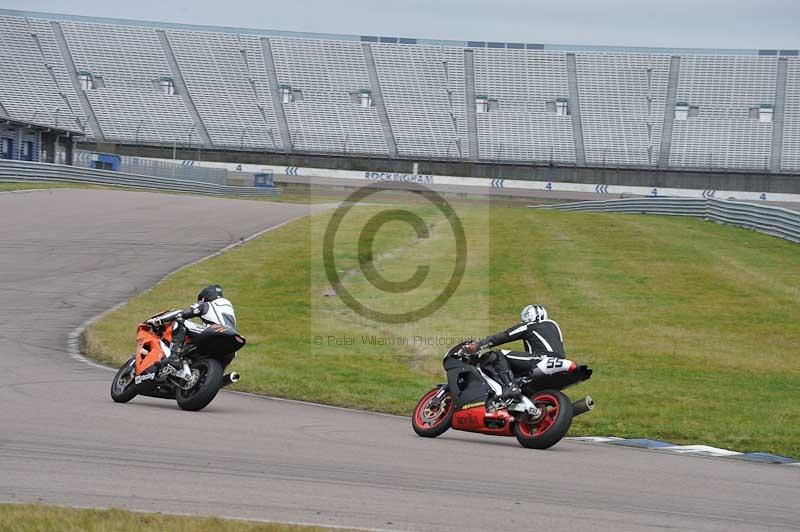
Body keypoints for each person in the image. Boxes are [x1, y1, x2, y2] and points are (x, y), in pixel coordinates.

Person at [465, 304, 565, 401]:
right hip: (560, 363)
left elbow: (505, 335)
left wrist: (479, 345)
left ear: (529, 316)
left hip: (542, 359)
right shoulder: (554, 325)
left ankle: (510, 387)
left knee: (496, 355)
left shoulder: (528, 326)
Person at [145, 285, 236, 369]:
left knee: (180, 322)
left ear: (206, 297)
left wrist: (157, 321)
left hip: (215, 333)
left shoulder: (207, 304)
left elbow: (182, 314)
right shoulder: (228, 309)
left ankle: (174, 358)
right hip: (232, 343)